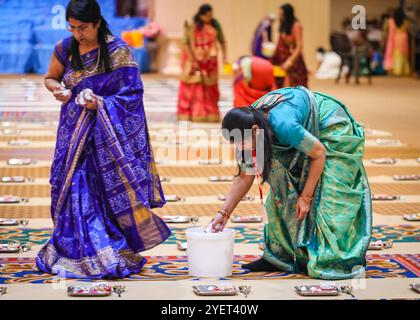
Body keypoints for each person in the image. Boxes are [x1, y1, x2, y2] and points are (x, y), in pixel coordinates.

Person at [36, 0, 170, 279]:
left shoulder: (118, 52)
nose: (77, 33)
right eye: (72, 27)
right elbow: (50, 78)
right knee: (70, 182)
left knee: (97, 187)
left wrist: (102, 104)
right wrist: (58, 89)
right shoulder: (64, 47)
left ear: (97, 23)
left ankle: (105, 247)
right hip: (73, 132)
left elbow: (132, 96)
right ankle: (72, 248)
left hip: (107, 138)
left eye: (83, 27)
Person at [211, 86, 372, 280]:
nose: (239, 147)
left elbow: (319, 153)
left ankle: (335, 260)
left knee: (331, 197)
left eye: (240, 143)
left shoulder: (283, 125)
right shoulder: (249, 126)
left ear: (255, 131)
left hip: (330, 125)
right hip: (298, 130)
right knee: (281, 187)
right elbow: (246, 175)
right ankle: (279, 256)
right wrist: (224, 213)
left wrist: (306, 197)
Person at [176, 4, 227, 122]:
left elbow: (223, 41)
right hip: (194, 59)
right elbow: (185, 42)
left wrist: (224, 56)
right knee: (193, 87)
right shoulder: (192, 25)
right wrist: (192, 59)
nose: (209, 18)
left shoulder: (215, 24)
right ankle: (192, 114)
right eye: (207, 16)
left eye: (211, 15)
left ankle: (210, 113)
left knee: (210, 89)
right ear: (201, 15)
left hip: (210, 62)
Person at [271, 3, 308, 88]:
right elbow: (279, 43)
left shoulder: (296, 25)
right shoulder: (284, 26)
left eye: (282, 14)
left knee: (292, 86)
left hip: (293, 62)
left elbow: (299, 46)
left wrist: (289, 62)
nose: (280, 17)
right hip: (280, 60)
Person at [384, 7, 411, 76]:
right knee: (404, 54)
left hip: (396, 38)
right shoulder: (406, 21)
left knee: (397, 54)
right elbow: (409, 30)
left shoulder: (392, 21)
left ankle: (397, 70)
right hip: (404, 38)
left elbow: (388, 31)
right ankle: (405, 70)